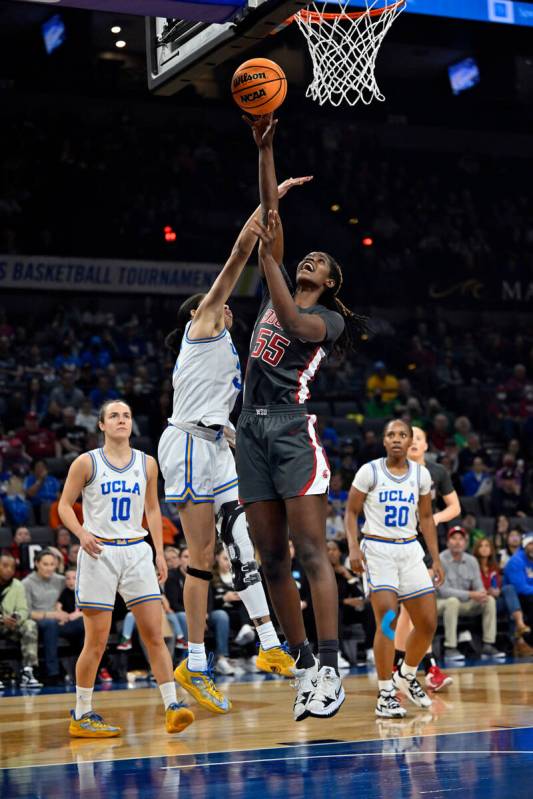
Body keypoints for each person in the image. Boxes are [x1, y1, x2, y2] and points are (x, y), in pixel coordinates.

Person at [158, 126, 306, 716]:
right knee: (199, 559)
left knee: (245, 543)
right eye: (209, 301)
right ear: (197, 313)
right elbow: (239, 256)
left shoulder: (225, 351)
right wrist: (269, 203)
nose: (217, 304)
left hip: (218, 446)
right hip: (189, 446)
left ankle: (269, 643)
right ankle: (193, 663)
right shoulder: (201, 328)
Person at [237, 114, 366, 721]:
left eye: (319, 261)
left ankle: (333, 667)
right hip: (249, 430)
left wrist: (269, 264)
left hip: (291, 429)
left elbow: (292, 323)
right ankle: (304, 665)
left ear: (331, 281)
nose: (308, 258)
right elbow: (272, 220)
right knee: (269, 559)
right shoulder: (275, 283)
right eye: (304, 257)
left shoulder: (326, 321)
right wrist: (266, 153)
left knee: (312, 551)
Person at [58, 399, 193, 737]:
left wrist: (159, 552)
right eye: (114, 416)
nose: (121, 420)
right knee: (96, 641)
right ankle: (83, 714)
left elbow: (151, 509)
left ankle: (172, 706)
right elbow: (63, 506)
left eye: (127, 415)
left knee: (155, 634)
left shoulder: (147, 464)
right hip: (99, 551)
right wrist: (81, 533)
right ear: (101, 425)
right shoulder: (86, 463)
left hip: (136, 552)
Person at [345, 420, 445, 719]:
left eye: (403, 435)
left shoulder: (421, 475)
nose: (398, 439)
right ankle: (386, 691)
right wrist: (352, 547)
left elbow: (426, 518)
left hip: (410, 550)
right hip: (378, 551)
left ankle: (408, 673)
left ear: (411, 440)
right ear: (384, 440)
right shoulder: (370, 471)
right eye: (392, 434)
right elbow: (350, 512)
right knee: (387, 619)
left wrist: (435, 559)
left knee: (427, 623)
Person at [394, 426, 460, 692]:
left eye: (419, 437)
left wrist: (434, 518)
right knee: (409, 611)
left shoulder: (437, 472)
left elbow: (455, 507)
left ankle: (407, 668)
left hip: (426, 545)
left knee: (420, 610)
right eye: (409, 437)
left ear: (425, 446)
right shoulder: (393, 471)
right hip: (399, 544)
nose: (413, 441)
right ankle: (418, 668)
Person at [436, 526, 505, 662]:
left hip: (464, 604)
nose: (457, 542)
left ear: (465, 543)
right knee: (452, 601)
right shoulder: (440, 560)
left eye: (461, 539)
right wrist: (471, 594)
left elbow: (478, 586)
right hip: (440, 603)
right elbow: (443, 591)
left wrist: (482, 593)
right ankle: (450, 648)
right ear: (448, 542)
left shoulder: (471, 560)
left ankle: (488, 645)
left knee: (489, 600)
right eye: (454, 538)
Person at [22, 549, 84, 685]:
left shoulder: (61, 580)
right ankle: (53, 673)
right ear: (37, 563)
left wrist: (76, 613)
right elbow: (26, 612)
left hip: (62, 620)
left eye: (52, 564)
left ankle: (86, 672)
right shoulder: (27, 583)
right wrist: (52, 615)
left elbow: (76, 590)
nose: (49, 568)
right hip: (40, 621)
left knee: (83, 624)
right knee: (50, 624)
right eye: (45, 564)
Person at [472, 537, 532, 657]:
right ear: (477, 549)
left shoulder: (494, 567)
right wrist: (487, 592)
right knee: (510, 594)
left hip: (496, 602)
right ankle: (520, 634)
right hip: (479, 601)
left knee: (510, 594)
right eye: (481, 546)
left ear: (491, 550)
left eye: (487, 546)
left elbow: (500, 586)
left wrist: (497, 591)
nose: (484, 549)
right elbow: (470, 587)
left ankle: (518, 640)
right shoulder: (472, 565)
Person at [0, 552, 42, 689]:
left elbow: (24, 610)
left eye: (12, 567)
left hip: (11, 625)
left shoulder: (17, 585)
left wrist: (16, 617)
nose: (9, 570)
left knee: (30, 625)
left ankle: (27, 672)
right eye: (5, 566)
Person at [503, 531, 533, 637]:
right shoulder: (516, 561)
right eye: (530, 544)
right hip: (515, 597)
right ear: (524, 545)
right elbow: (520, 588)